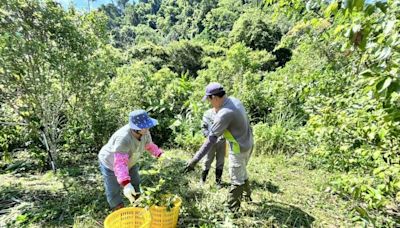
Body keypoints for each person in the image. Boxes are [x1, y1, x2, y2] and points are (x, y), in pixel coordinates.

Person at [184, 82, 254, 213]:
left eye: (209, 100)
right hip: (248, 143)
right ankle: (247, 196)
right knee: (243, 172)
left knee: (236, 179)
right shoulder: (234, 100)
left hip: (238, 148)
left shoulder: (224, 114)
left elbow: (210, 141)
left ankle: (232, 210)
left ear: (214, 97)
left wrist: (194, 161)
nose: (210, 104)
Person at [98, 110, 163, 210]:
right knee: (113, 189)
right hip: (110, 163)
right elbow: (120, 163)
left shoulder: (145, 132)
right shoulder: (123, 138)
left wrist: (160, 154)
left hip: (130, 161)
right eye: (145, 126)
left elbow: (149, 145)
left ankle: (137, 204)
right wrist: (126, 184)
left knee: (135, 182)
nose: (148, 128)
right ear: (135, 128)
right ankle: (118, 209)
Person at [200, 108, 226, 187]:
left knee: (220, 161)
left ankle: (218, 182)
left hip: (222, 140)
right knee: (207, 161)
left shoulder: (224, 113)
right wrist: (209, 137)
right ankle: (202, 180)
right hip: (210, 141)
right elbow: (204, 127)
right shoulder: (207, 113)